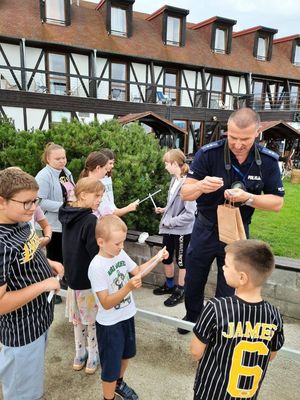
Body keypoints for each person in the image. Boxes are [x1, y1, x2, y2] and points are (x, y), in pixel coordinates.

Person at [180, 107, 284, 334]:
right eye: (233, 137)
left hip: (238, 229)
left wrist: (249, 198)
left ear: (258, 132)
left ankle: (219, 323)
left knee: (230, 282)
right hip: (205, 226)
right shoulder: (208, 154)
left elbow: (277, 203)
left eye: (245, 139)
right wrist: (199, 185)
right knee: (194, 277)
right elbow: (185, 194)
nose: (237, 144)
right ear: (227, 130)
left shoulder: (267, 161)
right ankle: (192, 316)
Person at [190, 239, 284, 400]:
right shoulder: (274, 314)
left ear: (242, 278)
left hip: (211, 393)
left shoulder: (215, 308)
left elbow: (196, 351)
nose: (222, 267)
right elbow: (271, 355)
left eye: (226, 265)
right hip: (246, 395)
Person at [88, 214, 168, 400]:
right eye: (117, 243)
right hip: (109, 325)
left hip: (127, 316)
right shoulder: (97, 266)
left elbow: (138, 272)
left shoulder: (120, 254)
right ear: (101, 242)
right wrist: (128, 287)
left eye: (123, 242)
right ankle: (109, 397)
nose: (122, 247)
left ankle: (119, 383)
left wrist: (156, 258)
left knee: (125, 356)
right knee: (110, 366)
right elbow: (106, 303)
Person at [0, 168, 64, 400]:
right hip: (21, 332)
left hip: (38, 321)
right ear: (2, 202)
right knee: (22, 392)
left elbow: (25, 255)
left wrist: (48, 262)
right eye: (26, 203)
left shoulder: (19, 220)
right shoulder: (1, 244)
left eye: (34, 201)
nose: (33, 208)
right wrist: (44, 285)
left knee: (30, 384)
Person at [59, 177, 105, 374]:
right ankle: (93, 355)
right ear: (83, 195)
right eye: (97, 196)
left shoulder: (67, 215)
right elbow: (95, 252)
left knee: (78, 320)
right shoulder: (90, 219)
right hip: (87, 280)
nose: (100, 200)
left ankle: (79, 353)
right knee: (92, 320)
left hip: (72, 278)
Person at [153, 149, 196, 307]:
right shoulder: (174, 181)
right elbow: (175, 206)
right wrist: (164, 210)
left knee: (182, 262)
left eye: (166, 164)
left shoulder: (188, 184)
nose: (165, 167)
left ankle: (181, 291)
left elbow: (190, 214)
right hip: (169, 229)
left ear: (174, 164)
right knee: (166, 257)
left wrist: (170, 221)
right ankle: (169, 286)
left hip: (182, 231)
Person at [35, 142, 75, 303]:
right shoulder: (43, 176)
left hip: (65, 222)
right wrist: (63, 207)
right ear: (47, 159)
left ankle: (62, 282)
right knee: (54, 256)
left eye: (64, 157)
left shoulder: (66, 172)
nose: (62, 161)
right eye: (57, 158)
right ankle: (52, 290)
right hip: (51, 224)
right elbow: (39, 201)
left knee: (64, 255)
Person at [99, 148, 139, 217]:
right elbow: (107, 213)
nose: (112, 166)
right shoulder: (97, 182)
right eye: (110, 163)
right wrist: (128, 208)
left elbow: (110, 205)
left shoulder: (107, 177)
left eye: (113, 163)